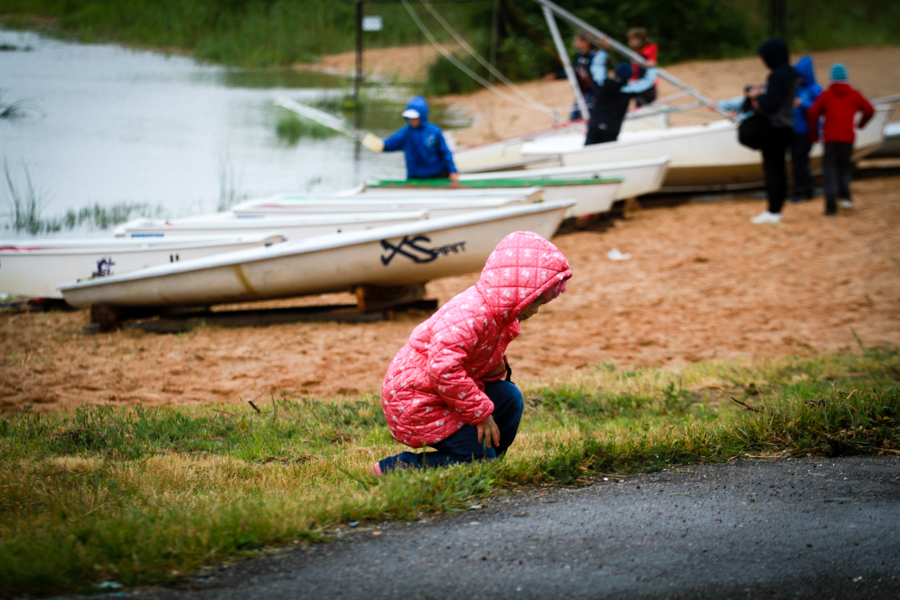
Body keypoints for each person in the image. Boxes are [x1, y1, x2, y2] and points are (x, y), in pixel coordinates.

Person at [371, 231, 572, 475]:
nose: (536, 310)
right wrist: (480, 414)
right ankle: (395, 469)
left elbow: (468, 361)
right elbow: (442, 368)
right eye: (536, 302)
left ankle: (487, 460)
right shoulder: (473, 313)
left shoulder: (497, 317)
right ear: (520, 294)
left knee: (509, 396)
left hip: (439, 392)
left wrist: (493, 368)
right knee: (477, 458)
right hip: (416, 400)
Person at [806, 63, 875, 216]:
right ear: (846, 78)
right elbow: (870, 109)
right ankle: (846, 199)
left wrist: (814, 135)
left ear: (831, 78)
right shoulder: (854, 94)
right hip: (847, 138)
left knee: (829, 170)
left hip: (830, 138)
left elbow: (812, 113)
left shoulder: (826, 95)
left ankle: (831, 207)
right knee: (844, 168)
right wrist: (861, 124)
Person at [747, 38, 796, 225]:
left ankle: (773, 211)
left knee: (773, 170)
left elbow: (770, 104)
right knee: (780, 169)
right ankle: (777, 209)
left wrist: (757, 95)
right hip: (787, 126)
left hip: (774, 128)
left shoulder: (777, 75)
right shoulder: (790, 73)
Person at [362, 96, 459, 182]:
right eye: (409, 117)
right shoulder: (405, 133)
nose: (411, 120)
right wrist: (379, 145)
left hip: (437, 175)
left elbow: (445, 152)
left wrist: (453, 171)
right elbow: (390, 144)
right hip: (415, 177)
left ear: (422, 116)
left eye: (414, 118)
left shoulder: (434, 131)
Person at [585, 62, 657, 145]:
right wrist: (651, 69)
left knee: (588, 151)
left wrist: (604, 51)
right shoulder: (629, 90)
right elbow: (647, 82)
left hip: (594, 125)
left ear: (615, 72)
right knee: (609, 153)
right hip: (611, 130)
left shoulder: (604, 83)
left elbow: (596, 67)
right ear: (629, 76)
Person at [543, 32, 610, 122]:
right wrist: (556, 75)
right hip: (583, 93)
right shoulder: (580, 56)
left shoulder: (596, 55)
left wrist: (606, 48)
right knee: (574, 117)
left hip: (594, 92)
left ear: (586, 42)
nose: (576, 44)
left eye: (578, 41)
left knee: (593, 115)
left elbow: (599, 65)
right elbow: (573, 72)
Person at [790, 56, 823, 203]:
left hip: (807, 131)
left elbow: (819, 110)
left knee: (800, 162)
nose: (798, 78)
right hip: (794, 131)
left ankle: (805, 189)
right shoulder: (797, 88)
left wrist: (802, 104)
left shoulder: (815, 90)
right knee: (797, 161)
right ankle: (802, 189)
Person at [627, 27, 659, 107]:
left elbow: (651, 60)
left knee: (643, 107)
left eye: (633, 39)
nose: (630, 42)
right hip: (639, 85)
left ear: (640, 40)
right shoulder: (636, 53)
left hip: (647, 87)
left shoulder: (647, 51)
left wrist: (650, 62)